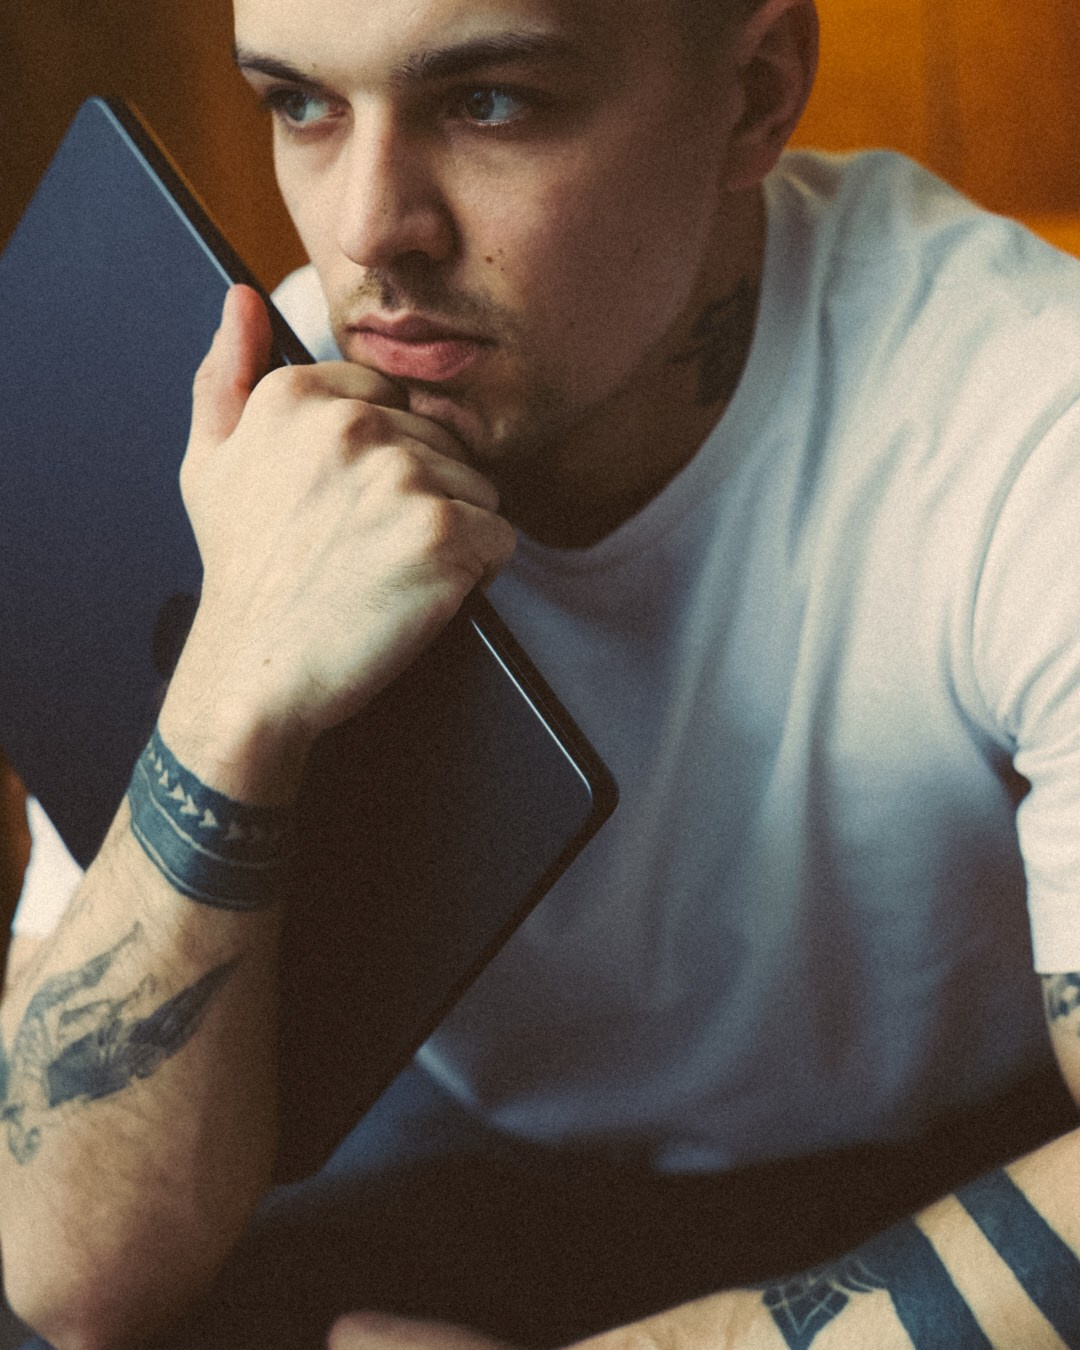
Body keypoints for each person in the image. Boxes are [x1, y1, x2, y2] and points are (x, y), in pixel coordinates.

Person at [4, 0, 1080, 1345]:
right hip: (444, 1149)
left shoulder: (1029, 421)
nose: (367, 232)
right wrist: (232, 692)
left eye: (489, 102)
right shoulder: (250, 419)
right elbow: (67, 1273)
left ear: (754, 94)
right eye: (301, 104)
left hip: (949, 1170)